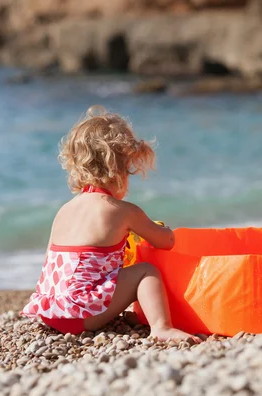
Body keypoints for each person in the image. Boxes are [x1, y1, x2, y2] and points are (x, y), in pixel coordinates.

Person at [21, 105, 201, 343]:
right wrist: (160, 228)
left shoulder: (65, 210)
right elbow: (166, 241)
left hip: (51, 311)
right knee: (146, 270)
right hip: (81, 314)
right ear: (119, 170)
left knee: (110, 272)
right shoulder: (122, 211)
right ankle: (161, 327)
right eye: (130, 171)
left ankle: (134, 314)